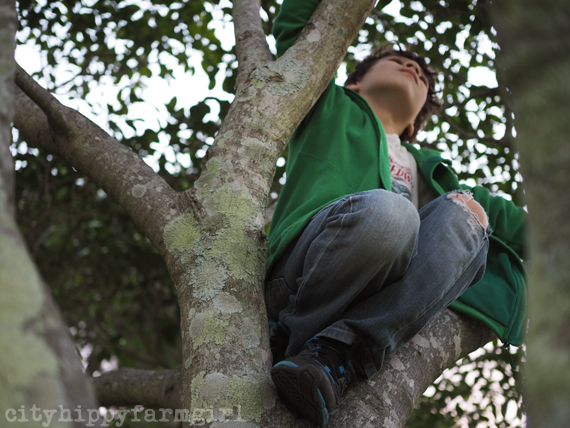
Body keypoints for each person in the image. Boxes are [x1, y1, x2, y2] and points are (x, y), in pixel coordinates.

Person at [264, 1, 528, 426]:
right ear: (355, 81)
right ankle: (293, 329)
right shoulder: (328, 105)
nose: (412, 69)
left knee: (469, 212)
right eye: (400, 62)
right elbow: (297, 29)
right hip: (304, 271)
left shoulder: (431, 172)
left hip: (375, 297)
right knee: (395, 213)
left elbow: (522, 225)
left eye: (422, 75)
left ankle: (336, 355)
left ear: (414, 124)